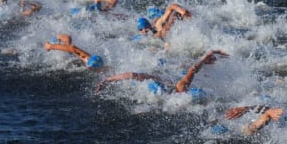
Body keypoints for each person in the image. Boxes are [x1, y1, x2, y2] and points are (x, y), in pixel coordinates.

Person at [95, 49, 227, 95]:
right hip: (172, 76)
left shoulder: (180, 89)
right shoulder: (161, 82)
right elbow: (132, 75)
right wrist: (107, 79)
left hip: (179, 78)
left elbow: (192, 70)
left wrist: (203, 59)